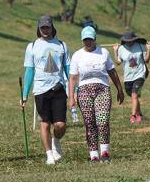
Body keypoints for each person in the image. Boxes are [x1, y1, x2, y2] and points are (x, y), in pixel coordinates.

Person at [69, 26, 125, 162]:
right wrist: (71, 97)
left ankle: (104, 151)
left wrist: (119, 89)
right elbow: (72, 78)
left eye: (90, 39)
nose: (88, 42)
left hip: (102, 89)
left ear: (95, 39)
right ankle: (93, 154)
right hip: (84, 91)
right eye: (85, 40)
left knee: (102, 120)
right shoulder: (77, 55)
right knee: (89, 123)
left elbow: (112, 72)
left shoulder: (103, 52)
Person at [21, 15, 70, 165]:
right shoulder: (33, 46)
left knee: (60, 125)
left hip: (59, 88)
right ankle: (49, 154)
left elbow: (68, 69)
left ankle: (55, 141)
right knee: (45, 123)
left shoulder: (61, 45)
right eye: (42, 27)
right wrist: (25, 94)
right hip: (41, 90)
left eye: (47, 27)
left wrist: (73, 89)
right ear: (38, 29)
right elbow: (29, 71)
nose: (45, 30)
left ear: (52, 28)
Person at [113, 29, 150, 124]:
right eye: (127, 40)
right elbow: (118, 62)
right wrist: (115, 51)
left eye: (131, 40)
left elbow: (146, 60)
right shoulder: (121, 48)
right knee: (133, 96)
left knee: (134, 95)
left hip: (139, 74)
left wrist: (149, 49)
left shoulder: (140, 46)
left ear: (134, 39)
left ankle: (133, 116)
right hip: (128, 77)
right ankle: (140, 114)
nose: (129, 42)